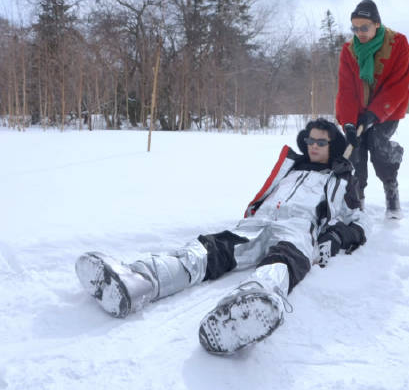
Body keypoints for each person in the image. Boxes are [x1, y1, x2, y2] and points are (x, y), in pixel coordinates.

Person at [76, 118, 369, 355]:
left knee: (283, 262)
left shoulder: (341, 179)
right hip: (259, 222)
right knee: (211, 249)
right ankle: (141, 281)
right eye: (310, 140)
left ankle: (249, 308)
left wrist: (336, 237)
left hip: (297, 229)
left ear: (334, 146)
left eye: (321, 142)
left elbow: (359, 222)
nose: (313, 146)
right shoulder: (291, 168)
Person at [336, 0, 409, 219]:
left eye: (364, 27)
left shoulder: (398, 44)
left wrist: (375, 113)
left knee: (377, 147)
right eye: (355, 27)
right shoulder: (349, 50)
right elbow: (346, 90)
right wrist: (349, 122)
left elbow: (398, 85)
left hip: (388, 110)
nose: (359, 32)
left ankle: (391, 191)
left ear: (377, 24)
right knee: (355, 151)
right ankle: (357, 202)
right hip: (359, 111)